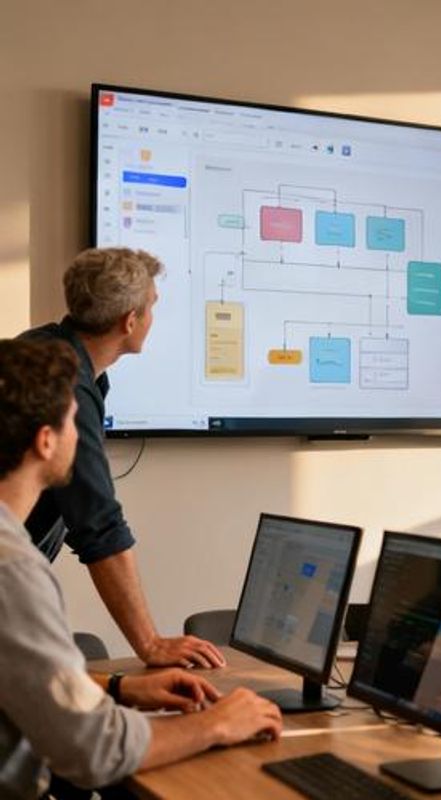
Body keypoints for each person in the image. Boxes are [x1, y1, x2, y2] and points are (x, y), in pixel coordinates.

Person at [0, 338, 283, 799]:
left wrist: (119, 688)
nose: (86, 435)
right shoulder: (13, 571)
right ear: (46, 441)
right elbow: (93, 750)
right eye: (77, 420)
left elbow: (19, 679)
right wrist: (218, 723)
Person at [21, 248, 222, 668]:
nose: (152, 318)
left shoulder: (44, 349)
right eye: (151, 308)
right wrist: (149, 644)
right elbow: (98, 525)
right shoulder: (68, 387)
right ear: (130, 320)